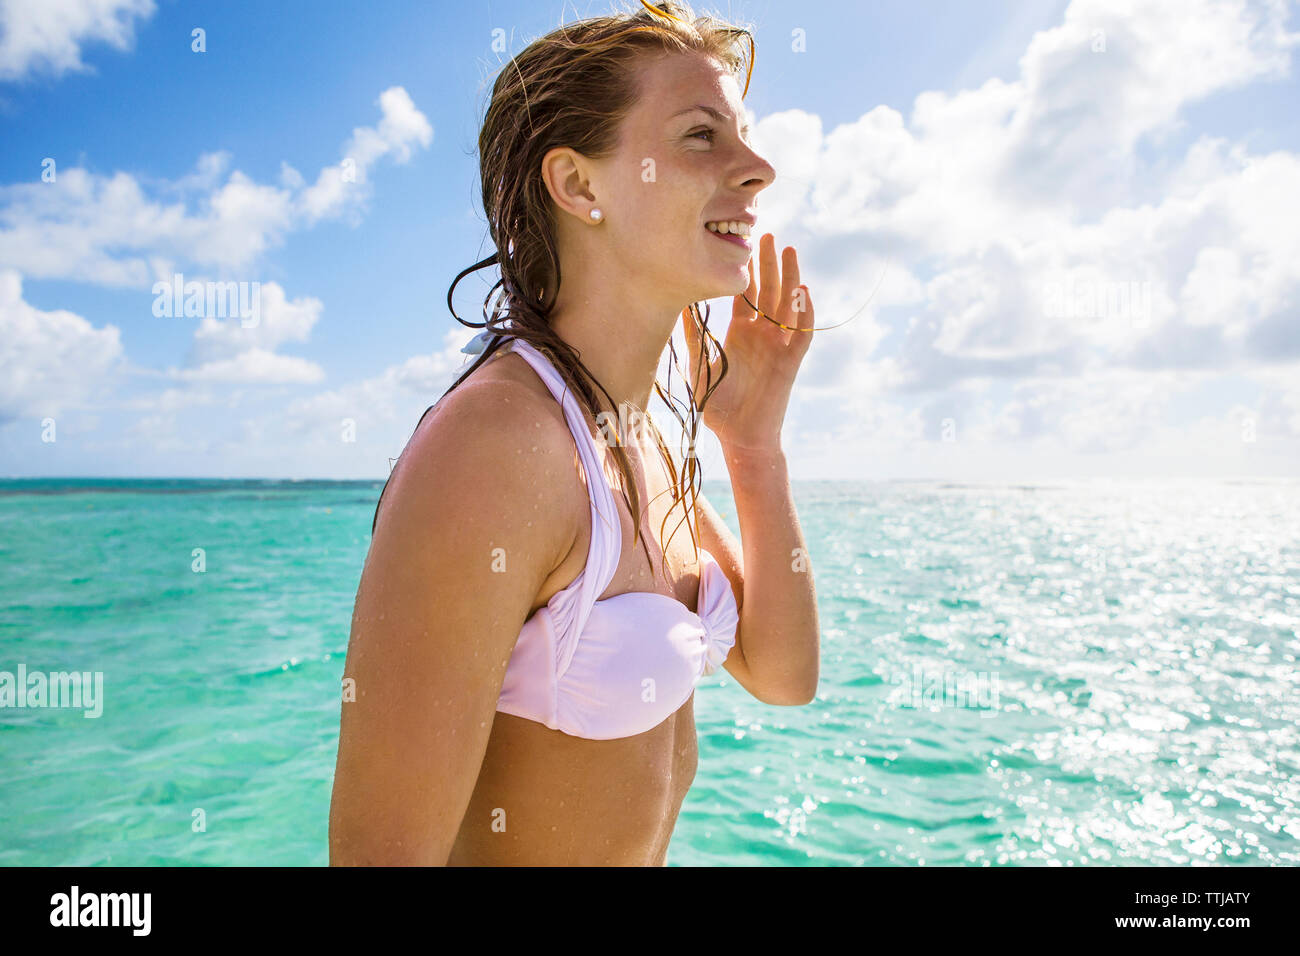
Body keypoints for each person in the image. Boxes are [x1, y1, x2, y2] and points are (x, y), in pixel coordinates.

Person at [329, 0, 820, 866]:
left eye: (743, 134)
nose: (759, 168)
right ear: (580, 185)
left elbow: (783, 678)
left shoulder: (641, 439)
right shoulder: (499, 447)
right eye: (702, 135)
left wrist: (752, 447)